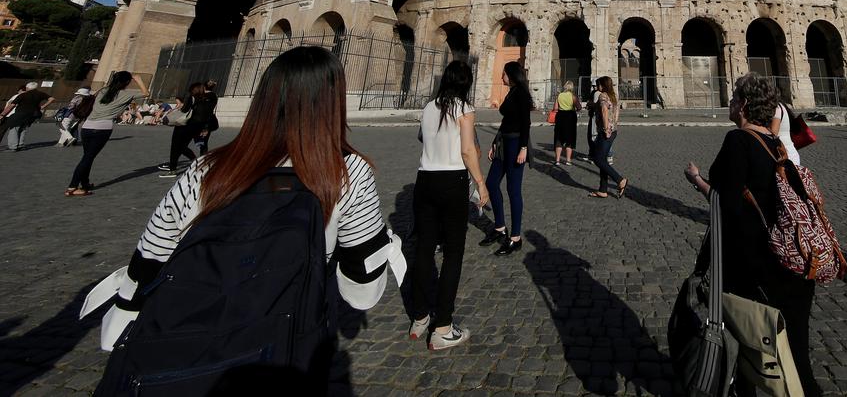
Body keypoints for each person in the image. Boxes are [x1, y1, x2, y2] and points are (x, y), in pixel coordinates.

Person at [81, 46, 405, 383]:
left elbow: (151, 254)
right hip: (286, 339)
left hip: (180, 341)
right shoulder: (343, 172)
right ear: (333, 102)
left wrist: (127, 310)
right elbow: (361, 287)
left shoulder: (206, 168)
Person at [683, 73, 824, 395]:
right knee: (796, 354)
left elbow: (723, 201)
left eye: (734, 98)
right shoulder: (777, 144)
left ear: (744, 105)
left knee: (744, 344)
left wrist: (696, 180)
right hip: (794, 259)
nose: (729, 103)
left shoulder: (739, 140)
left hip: (757, 263)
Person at [409, 60, 489, 350]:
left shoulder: (429, 107)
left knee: (424, 248)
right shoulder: (464, 109)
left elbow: (423, 139)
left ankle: (419, 317)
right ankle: (442, 326)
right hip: (452, 181)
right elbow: (468, 151)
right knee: (453, 254)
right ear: (465, 83)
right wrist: (480, 183)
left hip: (424, 180)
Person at [66, 72, 148, 196]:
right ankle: (72, 187)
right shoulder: (126, 94)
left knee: (88, 157)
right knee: (87, 158)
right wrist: (138, 80)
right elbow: (146, 94)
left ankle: (85, 183)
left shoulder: (103, 90)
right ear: (126, 82)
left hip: (87, 127)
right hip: (102, 128)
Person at [480, 61, 531, 256]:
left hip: (517, 144)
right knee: (492, 183)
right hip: (504, 142)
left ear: (511, 75)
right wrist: (495, 141)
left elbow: (525, 123)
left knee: (513, 189)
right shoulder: (511, 93)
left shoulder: (522, 94)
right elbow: (506, 121)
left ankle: (515, 237)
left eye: (504, 74)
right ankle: (500, 227)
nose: (501, 77)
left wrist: (524, 148)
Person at [159, 82, 217, 178]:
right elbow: (208, 114)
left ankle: (173, 169)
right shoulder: (210, 98)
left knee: (176, 146)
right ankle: (195, 162)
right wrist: (206, 128)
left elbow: (185, 110)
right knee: (191, 145)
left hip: (185, 125)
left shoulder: (192, 97)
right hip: (198, 126)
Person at [588, 76, 628, 199]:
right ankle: (603, 189)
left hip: (606, 131)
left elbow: (605, 111)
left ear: (603, 85)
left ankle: (620, 180)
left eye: (599, 84)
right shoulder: (613, 95)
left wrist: (606, 129)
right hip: (613, 130)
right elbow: (616, 113)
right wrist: (613, 124)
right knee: (602, 159)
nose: (597, 87)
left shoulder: (603, 96)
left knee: (597, 159)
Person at [1, 82, 55, 151]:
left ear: (27, 88)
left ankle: (13, 146)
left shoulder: (23, 95)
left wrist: (3, 114)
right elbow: (52, 99)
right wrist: (43, 106)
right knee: (23, 128)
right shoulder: (40, 94)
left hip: (20, 113)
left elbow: (11, 106)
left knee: (14, 128)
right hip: (32, 115)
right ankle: (20, 144)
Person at [553, 80, 581, 167]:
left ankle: (557, 160)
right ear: (571, 87)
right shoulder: (573, 96)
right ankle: (568, 160)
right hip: (570, 117)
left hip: (560, 116)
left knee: (559, 137)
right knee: (570, 138)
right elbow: (579, 107)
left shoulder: (559, 96)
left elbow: (555, 108)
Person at [769, 100, 802, 167]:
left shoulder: (776, 107)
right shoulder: (779, 106)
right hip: (785, 154)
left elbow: (773, 133)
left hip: (786, 157)